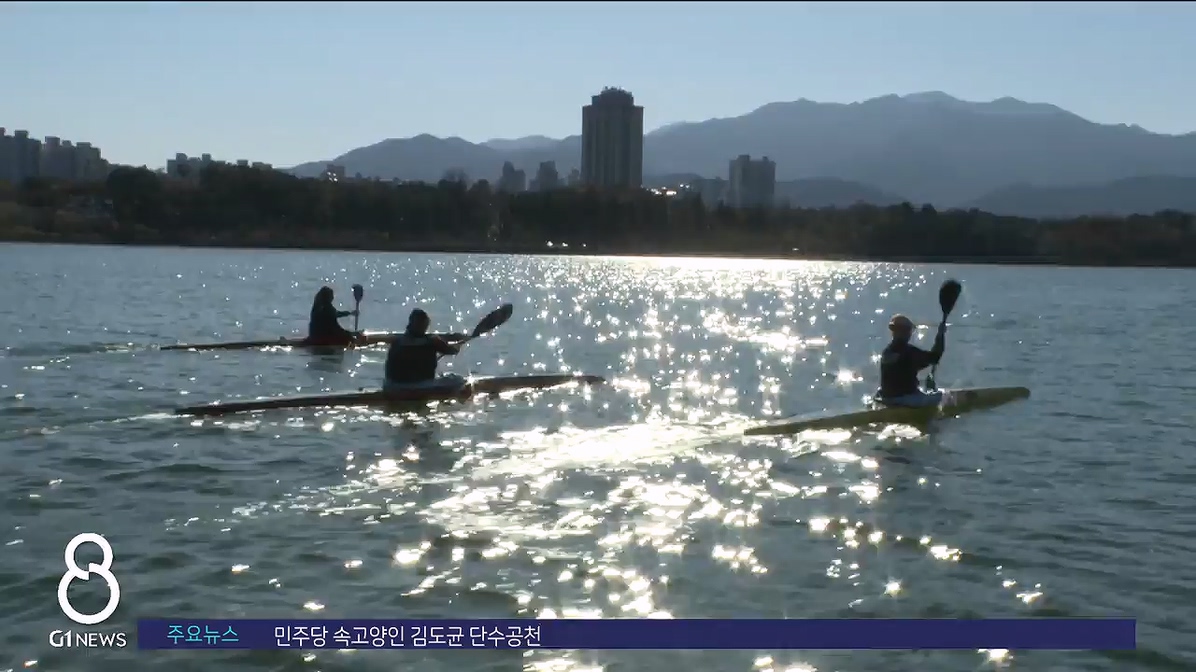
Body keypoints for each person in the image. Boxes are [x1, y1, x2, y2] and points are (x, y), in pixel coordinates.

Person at [383, 309, 466, 391]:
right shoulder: (432, 341)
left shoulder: (397, 340)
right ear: (423, 325)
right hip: (419, 386)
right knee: (458, 380)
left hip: (391, 385)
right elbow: (453, 351)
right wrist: (459, 344)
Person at [876, 313, 946, 406]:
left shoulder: (887, 352)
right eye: (909, 330)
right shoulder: (909, 352)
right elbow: (934, 358)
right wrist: (940, 336)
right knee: (943, 396)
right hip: (906, 399)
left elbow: (901, 369)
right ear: (903, 331)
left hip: (887, 398)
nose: (909, 334)